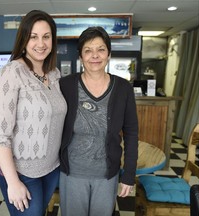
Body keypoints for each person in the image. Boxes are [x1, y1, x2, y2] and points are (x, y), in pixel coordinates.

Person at [0, 10, 67, 216]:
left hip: (51, 168)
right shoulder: (11, 73)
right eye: (33, 36)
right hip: (22, 172)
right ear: (23, 39)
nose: (41, 43)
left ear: (52, 40)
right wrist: (13, 182)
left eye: (46, 37)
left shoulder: (54, 73)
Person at [59, 26, 139, 216]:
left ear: (109, 54)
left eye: (101, 49)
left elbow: (131, 133)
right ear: (80, 56)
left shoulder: (123, 88)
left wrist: (128, 175)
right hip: (72, 174)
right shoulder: (65, 85)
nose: (95, 55)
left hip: (106, 175)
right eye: (88, 50)